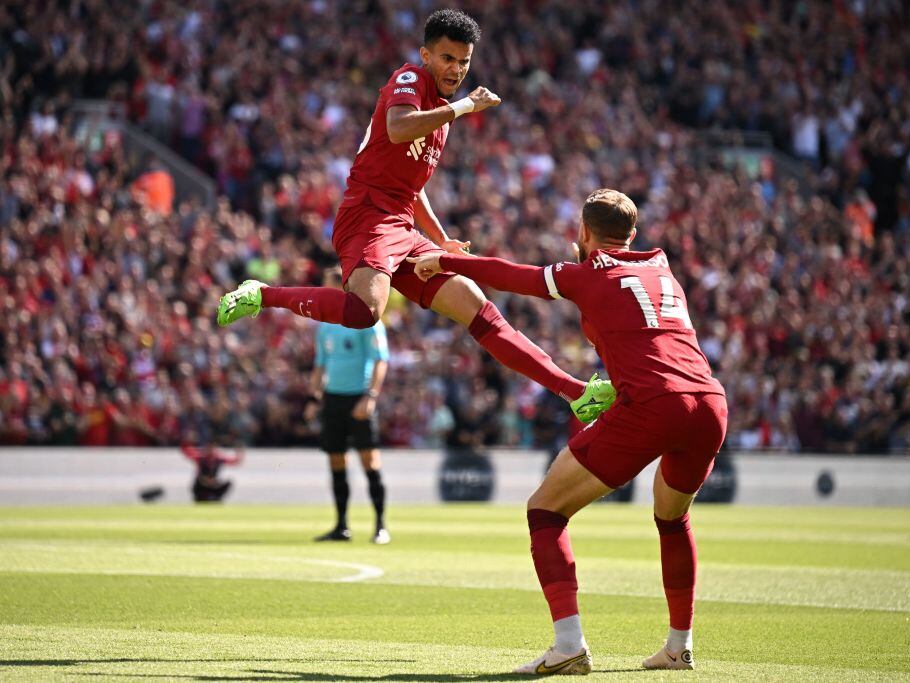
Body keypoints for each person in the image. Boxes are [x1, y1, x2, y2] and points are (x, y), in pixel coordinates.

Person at [215, 8, 614, 424]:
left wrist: (440, 240)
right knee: (364, 311)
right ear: (425, 55)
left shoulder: (440, 116)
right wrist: (463, 108)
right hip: (367, 214)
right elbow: (399, 127)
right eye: (447, 58)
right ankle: (262, 294)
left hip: (402, 226)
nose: (456, 69)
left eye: (464, 62)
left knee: (477, 306)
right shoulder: (409, 80)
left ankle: (575, 392)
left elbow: (413, 187)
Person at [410, 189, 729, 674]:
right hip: (709, 402)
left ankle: (569, 645)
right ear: (633, 235)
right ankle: (678, 646)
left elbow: (512, 277)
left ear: (583, 233)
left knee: (545, 510)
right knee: (672, 518)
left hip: (653, 403)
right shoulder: (663, 271)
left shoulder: (585, 273)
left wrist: (448, 262)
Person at [312, 266, 391, 544]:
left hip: (358, 396)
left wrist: (370, 396)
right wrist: (315, 397)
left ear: (342, 287)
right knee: (336, 460)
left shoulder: (365, 320)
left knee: (370, 461)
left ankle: (381, 525)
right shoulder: (324, 325)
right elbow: (321, 364)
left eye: (327, 286)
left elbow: (381, 359)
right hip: (333, 398)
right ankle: (341, 526)